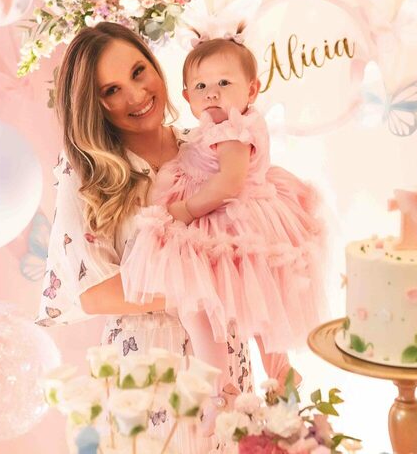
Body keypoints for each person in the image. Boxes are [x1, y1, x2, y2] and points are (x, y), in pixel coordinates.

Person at [36, 23, 252, 451]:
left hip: (228, 359)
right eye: (111, 90)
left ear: (154, 64)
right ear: (93, 105)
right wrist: (202, 288)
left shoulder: (209, 147)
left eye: (138, 72)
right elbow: (95, 294)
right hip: (148, 372)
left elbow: (249, 249)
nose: (136, 95)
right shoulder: (86, 173)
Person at [121, 23, 327, 389]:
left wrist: (186, 210)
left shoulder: (231, 130)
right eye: (201, 86)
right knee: (256, 304)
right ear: (187, 96)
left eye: (224, 83)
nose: (212, 93)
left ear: (252, 90)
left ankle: (218, 388)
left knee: (198, 308)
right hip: (240, 218)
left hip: (228, 218)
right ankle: (280, 375)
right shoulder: (225, 127)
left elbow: (229, 181)